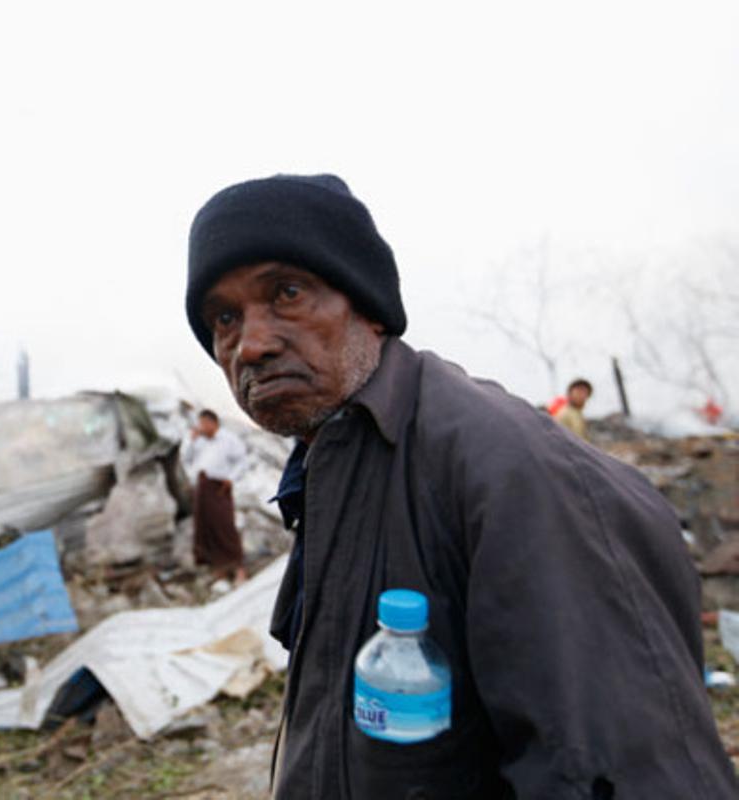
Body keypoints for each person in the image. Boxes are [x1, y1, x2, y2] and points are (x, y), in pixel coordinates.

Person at [183, 174, 736, 798]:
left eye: (287, 293)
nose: (250, 344)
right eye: (224, 318)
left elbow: (620, 776)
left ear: (367, 306)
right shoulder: (332, 463)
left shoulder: (513, 476)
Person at [181, 409, 248, 583]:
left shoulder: (228, 439)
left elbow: (241, 460)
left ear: (214, 422)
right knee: (206, 528)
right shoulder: (199, 441)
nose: (202, 427)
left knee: (225, 526)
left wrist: (231, 479)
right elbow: (187, 459)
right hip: (203, 485)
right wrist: (192, 440)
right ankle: (220, 569)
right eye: (200, 423)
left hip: (220, 486)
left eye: (204, 423)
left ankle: (239, 567)